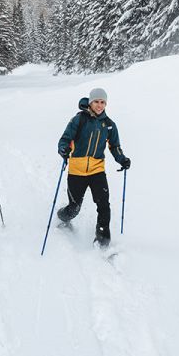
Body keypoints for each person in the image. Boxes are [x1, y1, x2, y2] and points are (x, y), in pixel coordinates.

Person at [56, 88, 130, 248]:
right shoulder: (79, 119)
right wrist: (63, 149)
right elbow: (65, 138)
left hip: (97, 170)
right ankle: (63, 216)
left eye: (103, 102)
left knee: (103, 205)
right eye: (96, 101)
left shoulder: (109, 125)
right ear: (90, 102)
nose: (99, 105)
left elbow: (114, 146)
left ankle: (103, 240)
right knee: (74, 208)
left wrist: (122, 160)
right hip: (76, 171)